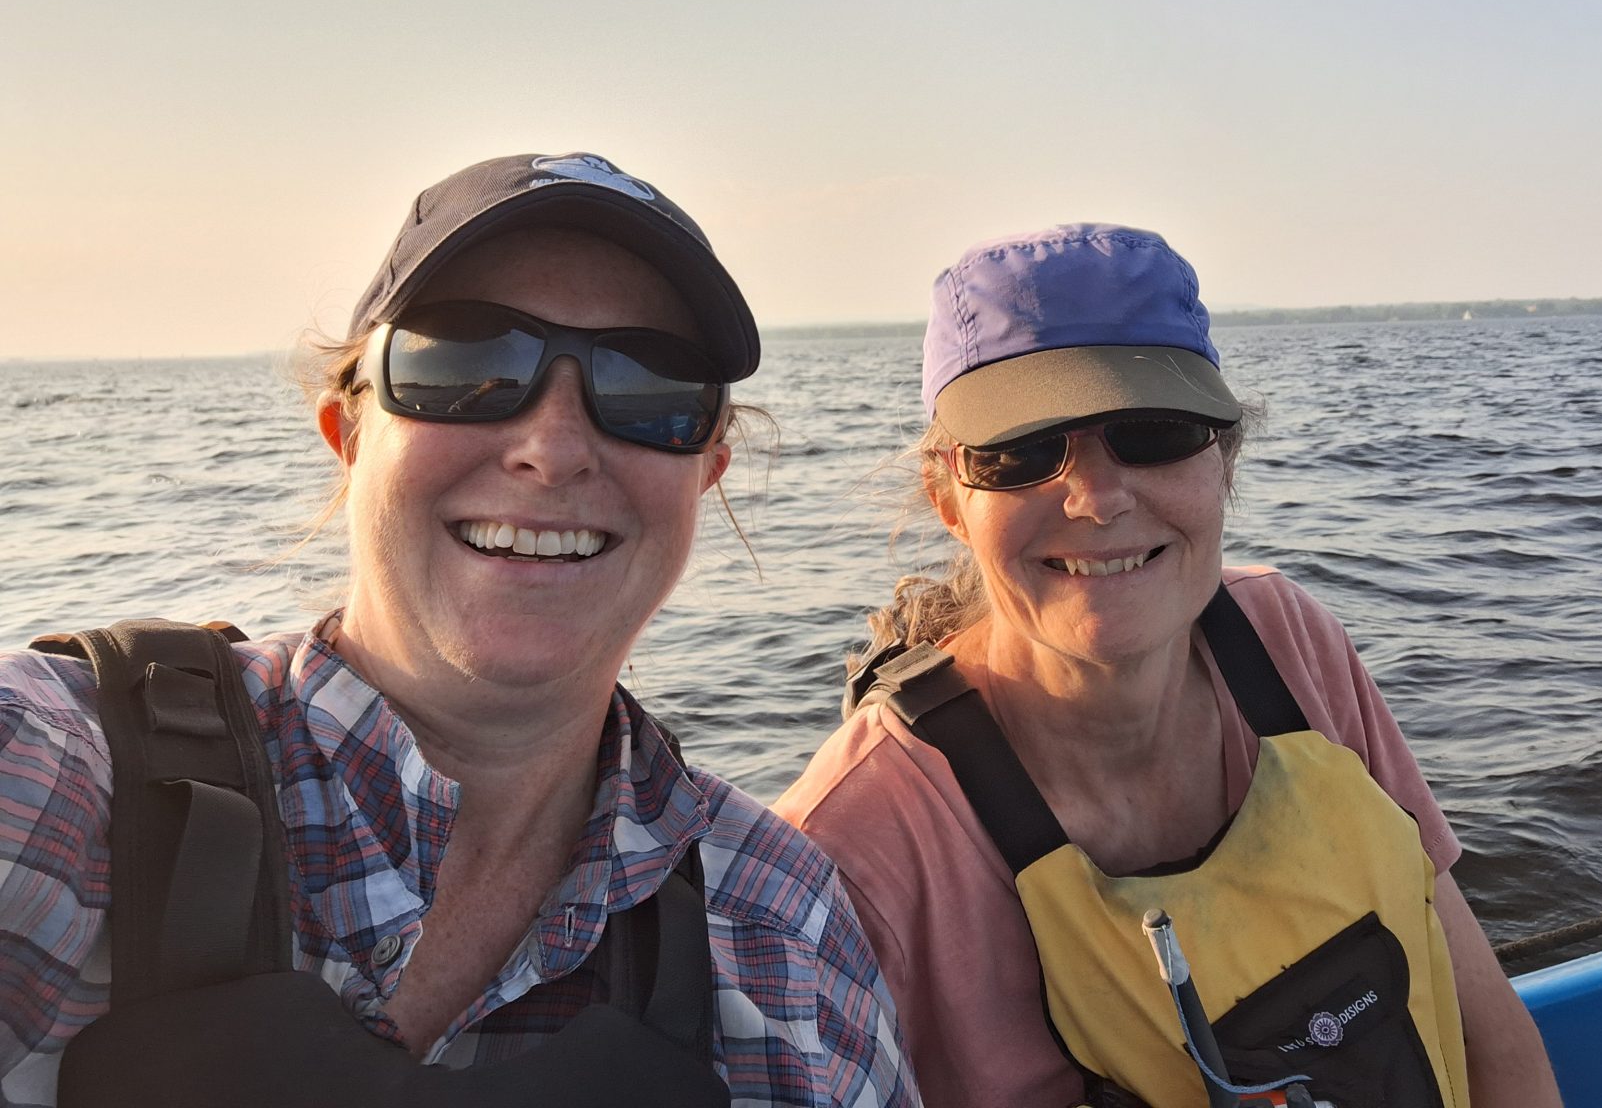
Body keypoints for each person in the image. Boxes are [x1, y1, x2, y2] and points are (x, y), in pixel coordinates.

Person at [0, 153, 918, 1108]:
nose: (554, 450)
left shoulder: (777, 921)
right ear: (348, 435)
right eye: (467, 362)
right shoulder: (49, 770)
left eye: (651, 388)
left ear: (707, 473)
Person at [775, 224, 1560, 1108]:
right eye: (1023, 451)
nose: (1098, 497)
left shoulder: (1286, 642)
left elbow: (1490, 1036)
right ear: (949, 499)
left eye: (1154, 431)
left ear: (1224, 458)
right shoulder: (854, 849)